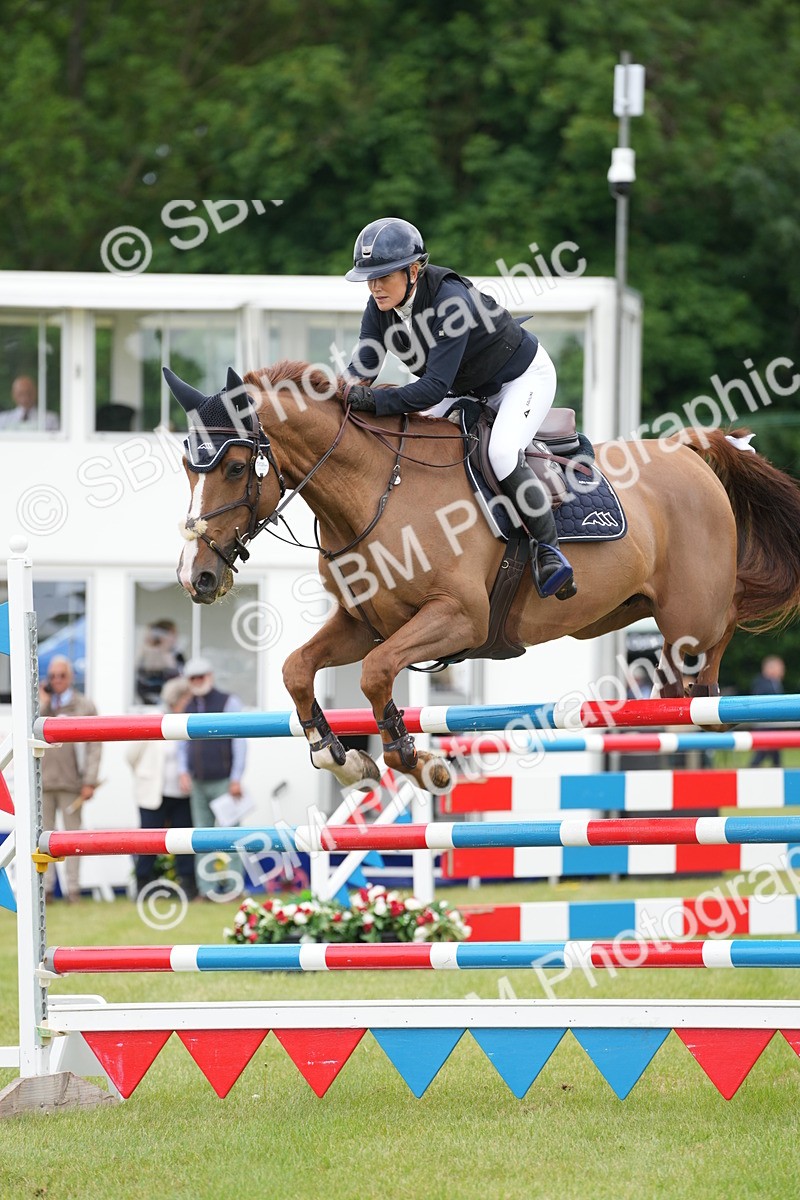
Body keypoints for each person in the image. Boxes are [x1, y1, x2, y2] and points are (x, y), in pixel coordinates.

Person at [341, 217, 576, 600]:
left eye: (384, 276)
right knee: (414, 442)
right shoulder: (378, 306)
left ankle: (549, 552)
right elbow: (363, 370)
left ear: (414, 270)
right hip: (465, 386)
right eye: (369, 277)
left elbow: (432, 389)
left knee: (501, 453)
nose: (375, 286)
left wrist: (374, 401)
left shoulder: (451, 302)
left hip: (520, 379)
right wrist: (332, 397)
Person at [176, 656, 247, 899]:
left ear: (210, 676)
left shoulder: (229, 702)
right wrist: (183, 771)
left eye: (201, 676)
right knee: (201, 838)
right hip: (198, 781)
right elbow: (182, 744)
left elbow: (240, 742)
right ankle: (206, 891)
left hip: (224, 781)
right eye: (193, 678)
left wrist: (236, 777)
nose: (197, 681)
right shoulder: (187, 706)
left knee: (232, 837)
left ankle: (234, 888)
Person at [125, 675, 196, 898]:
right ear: (177, 699)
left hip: (182, 794)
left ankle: (188, 886)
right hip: (153, 792)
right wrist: (145, 774)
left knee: (184, 842)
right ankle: (143, 886)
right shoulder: (152, 718)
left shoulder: (190, 720)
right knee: (149, 842)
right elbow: (131, 754)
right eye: (187, 698)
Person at [39, 656, 101, 901]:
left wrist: (90, 780)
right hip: (42, 783)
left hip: (72, 783)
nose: (57, 681)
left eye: (61, 675)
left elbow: (95, 745)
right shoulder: (41, 705)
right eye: (52, 676)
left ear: (71, 677)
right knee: (43, 839)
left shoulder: (84, 706)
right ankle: (47, 891)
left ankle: (73, 890)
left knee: (73, 838)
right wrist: (43, 704)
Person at [135, 618, 185, 705]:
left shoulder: (177, 655)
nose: (175, 638)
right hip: (151, 703)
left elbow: (182, 677)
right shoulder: (149, 654)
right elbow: (143, 678)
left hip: (173, 703)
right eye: (171, 634)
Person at [750, 655, 786, 767]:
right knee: (764, 750)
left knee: (773, 751)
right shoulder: (762, 682)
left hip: (773, 724)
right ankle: (753, 769)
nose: (782, 671)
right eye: (779, 668)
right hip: (765, 724)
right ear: (770, 669)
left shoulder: (775, 682)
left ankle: (776, 769)